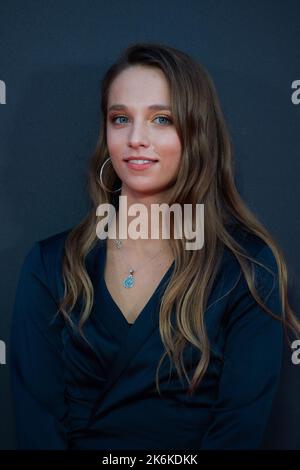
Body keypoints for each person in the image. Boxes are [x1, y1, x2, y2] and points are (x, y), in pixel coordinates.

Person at [10, 42, 300, 450]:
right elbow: (37, 426)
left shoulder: (247, 269)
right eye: (120, 118)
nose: (136, 138)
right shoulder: (50, 265)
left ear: (196, 131)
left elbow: (237, 432)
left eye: (161, 119)